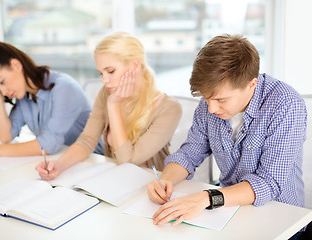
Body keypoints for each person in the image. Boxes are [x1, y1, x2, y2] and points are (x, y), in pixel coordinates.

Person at [147, 34, 307, 227]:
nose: (212, 109)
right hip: (228, 213)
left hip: (280, 220)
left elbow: (268, 183)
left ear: (251, 84)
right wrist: (166, 179)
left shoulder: (287, 105)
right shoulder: (210, 102)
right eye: (207, 99)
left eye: (221, 100)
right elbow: (189, 154)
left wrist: (207, 198)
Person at [36, 32, 182, 180]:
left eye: (110, 71)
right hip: (116, 179)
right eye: (101, 73)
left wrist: (113, 105)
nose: (104, 80)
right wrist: (58, 166)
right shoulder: (107, 93)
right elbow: (87, 141)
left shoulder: (169, 108)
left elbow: (128, 160)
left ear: (135, 66)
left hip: (151, 185)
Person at [0, 40, 103, 158]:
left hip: (95, 161)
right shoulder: (24, 97)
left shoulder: (64, 88)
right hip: (61, 162)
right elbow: (6, 136)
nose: (4, 92)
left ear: (16, 65)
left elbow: (48, 145)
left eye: (2, 82)